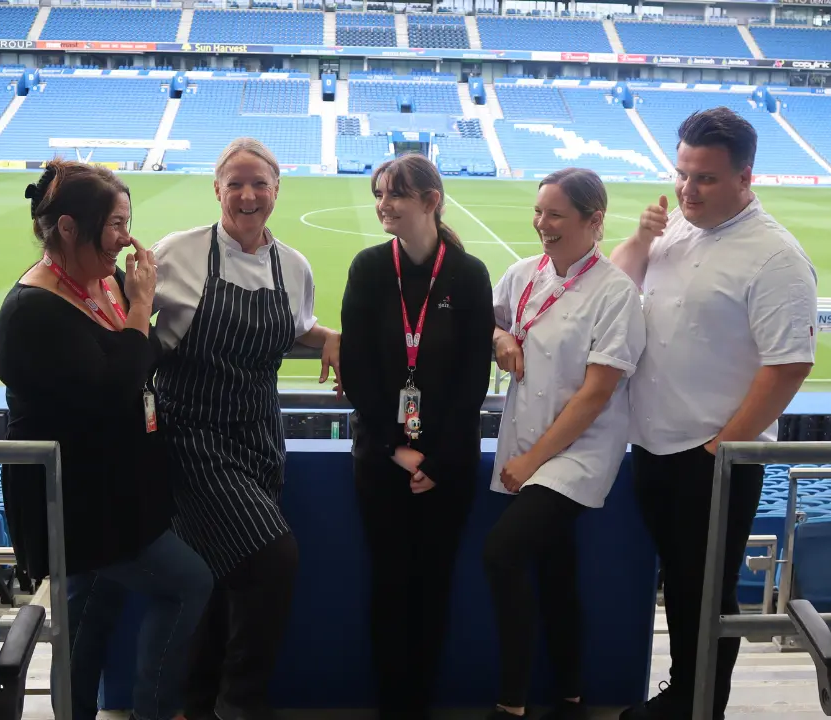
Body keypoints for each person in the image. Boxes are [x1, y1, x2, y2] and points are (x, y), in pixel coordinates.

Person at [611, 108, 817, 720]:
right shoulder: (677, 227)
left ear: (745, 177)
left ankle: (699, 705)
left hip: (713, 457)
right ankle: (684, 693)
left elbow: (788, 366)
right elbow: (618, 288)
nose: (686, 188)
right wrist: (645, 237)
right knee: (681, 585)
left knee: (704, 594)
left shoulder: (775, 256)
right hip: (651, 445)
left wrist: (722, 448)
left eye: (703, 178)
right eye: (681, 173)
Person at [0, 160, 214, 720]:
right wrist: (142, 306)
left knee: (89, 617)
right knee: (188, 584)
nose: (126, 238)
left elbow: (133, 360)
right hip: (79, 504)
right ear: (68, 228)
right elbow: (119, 386)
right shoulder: (32, 312)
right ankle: (152, 711)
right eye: (115, 224)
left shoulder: (102, 281)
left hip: (116, 494)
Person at [150, 138, 342, 720]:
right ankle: (241, 703)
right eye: (235, 182)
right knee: (273, 560)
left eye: (259, 182)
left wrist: (330, 338)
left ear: (277, 190)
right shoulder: (177, 253)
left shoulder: (294, 265)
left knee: (218, 576)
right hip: (192, 439)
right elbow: (131, 321)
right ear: (217, 190)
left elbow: (297, 327)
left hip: (259, 436)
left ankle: (196, 700)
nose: (248, 194)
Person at [484, 168, 647, 720]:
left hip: (577, 452)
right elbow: (493, 321)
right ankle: (571, 694)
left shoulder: (615, 293)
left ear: (593, 221)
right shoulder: (522, 274)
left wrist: (531, 461)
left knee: (502, 552)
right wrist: (500, 336)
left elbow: (597, 393)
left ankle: (510, 704)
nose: (541, 224)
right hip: (527, 439)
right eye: (539, 211)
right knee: (554, 567)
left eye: (555, 214)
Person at [339, 154, 494, 720]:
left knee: (432, 592)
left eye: (396, 195)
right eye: (380, 193)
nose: (383, 204)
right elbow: (357, 371)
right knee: (389, 589)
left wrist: (438, 459)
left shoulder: (470, 274)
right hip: (382, 463)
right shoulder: (369, 267)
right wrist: (397, 450)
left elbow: (473, 379)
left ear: (431, 200)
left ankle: (420, 704)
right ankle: (393, 707)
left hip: (447, 468)